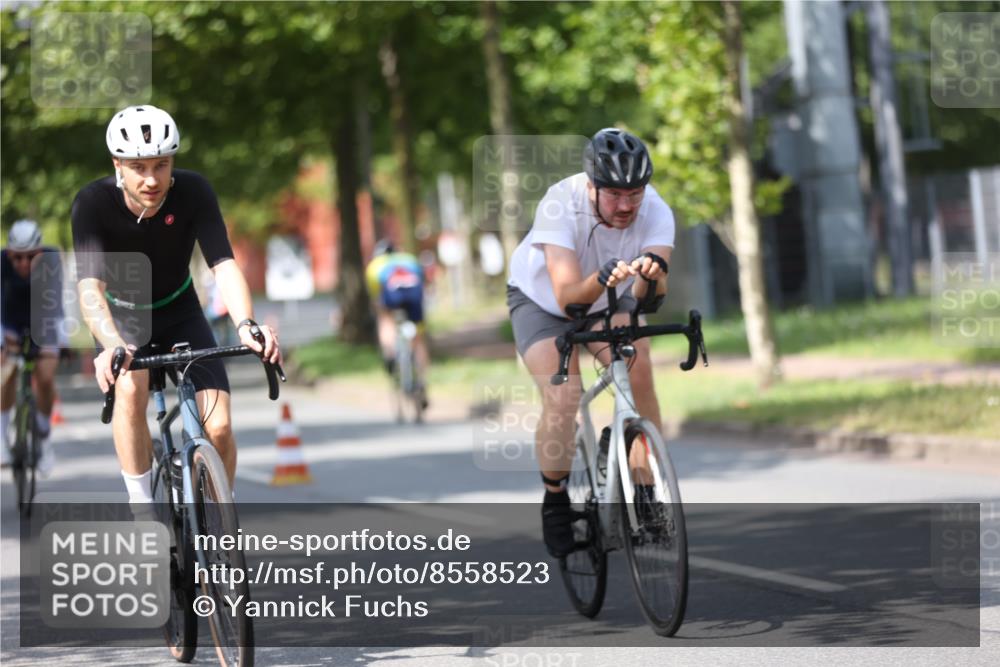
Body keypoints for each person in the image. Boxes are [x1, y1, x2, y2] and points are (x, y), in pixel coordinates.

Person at [71, 104, 281, 504]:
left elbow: (223, 265)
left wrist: (246, 324)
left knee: (219, 427)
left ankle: (220, 520)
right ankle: (142, 510)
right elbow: (90, 289)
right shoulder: (92, 203)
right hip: (123, 318)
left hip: (179, 309)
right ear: (118, 165)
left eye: (161, 165)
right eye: (139, 167)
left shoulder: (194, 191)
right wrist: (111, 345)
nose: (152, 179)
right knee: (130, 390)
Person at [506, 128, 674, 558]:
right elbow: (567, 298)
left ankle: (645, 490)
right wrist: (601, 279)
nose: (626, 206)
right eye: (614, 194)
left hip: (609, 297)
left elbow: (650, 301)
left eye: (634, 193)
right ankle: (555, 499)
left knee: (638, 368)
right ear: (591, 186)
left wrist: (651, 277)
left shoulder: (657, 211)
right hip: (543, 301)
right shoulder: (560, 204)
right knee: (564, 395)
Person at [1, 220, 63, 474]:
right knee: (5, 373)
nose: (23, 263)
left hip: (43, 322)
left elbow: (57, 304)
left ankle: (44, 439)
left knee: (46, 377)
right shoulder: (1, 262)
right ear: (9, 254)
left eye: (30, 257)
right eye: (17, 257)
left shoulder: (52, 260)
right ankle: (2, 436)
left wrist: (58, 343)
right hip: (9, 323)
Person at [365, 239, 430, 408]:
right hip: (414, 297)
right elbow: (423, 283)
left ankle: (390, 355)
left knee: (385, 318)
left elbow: (376, 297)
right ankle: (422, 379)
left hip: (392, 296)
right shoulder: (409, 259)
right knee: (418, 338)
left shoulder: (375, 266)